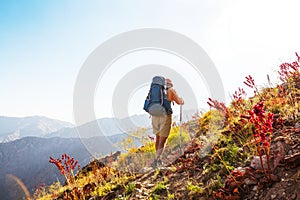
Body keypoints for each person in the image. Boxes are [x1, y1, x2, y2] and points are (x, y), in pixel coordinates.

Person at [152, 78, 184, 167]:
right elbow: (179, 102)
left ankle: (157, 158)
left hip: (155, 116)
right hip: (165, 116)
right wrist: (182, 100)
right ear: (170, 84)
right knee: (163, 139)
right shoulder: (171, 90)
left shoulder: (157, 92)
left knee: (158, 138)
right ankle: (157, 160)